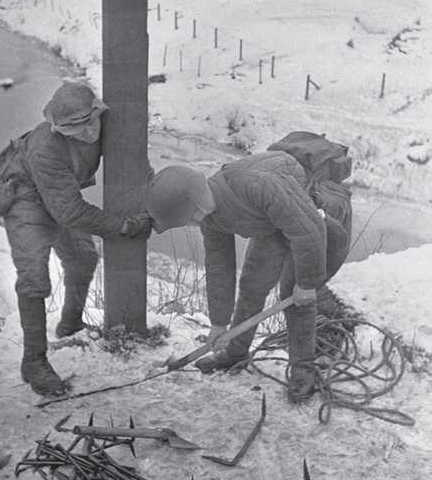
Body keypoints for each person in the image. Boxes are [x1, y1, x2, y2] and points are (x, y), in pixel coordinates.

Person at [0, 82, 151, 397]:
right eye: (75, 128)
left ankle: (70, 323)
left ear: (98, 112)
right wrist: (122, 226)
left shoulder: (107, 124)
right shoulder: (46, 148)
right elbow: (70, 212)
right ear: (58, 127)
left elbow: (132, 160)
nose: (87, 132)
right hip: (26, 198)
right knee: (33, 278)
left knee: (83, 259)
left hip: (60, 195)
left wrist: (150, 189)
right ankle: (34, 361)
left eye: (90, 122)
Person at [145, 150, 352, 402]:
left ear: (196, 207)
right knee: (252, 286)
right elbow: (219, 267)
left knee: (294, 295)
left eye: (187, 219)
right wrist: (219, 324)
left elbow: (309, 230)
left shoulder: (255, 185)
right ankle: (236, 352)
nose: (190, 224)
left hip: (311, 217)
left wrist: (307, 284)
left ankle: (303, 369)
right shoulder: (210, 218)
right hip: (271, 224)